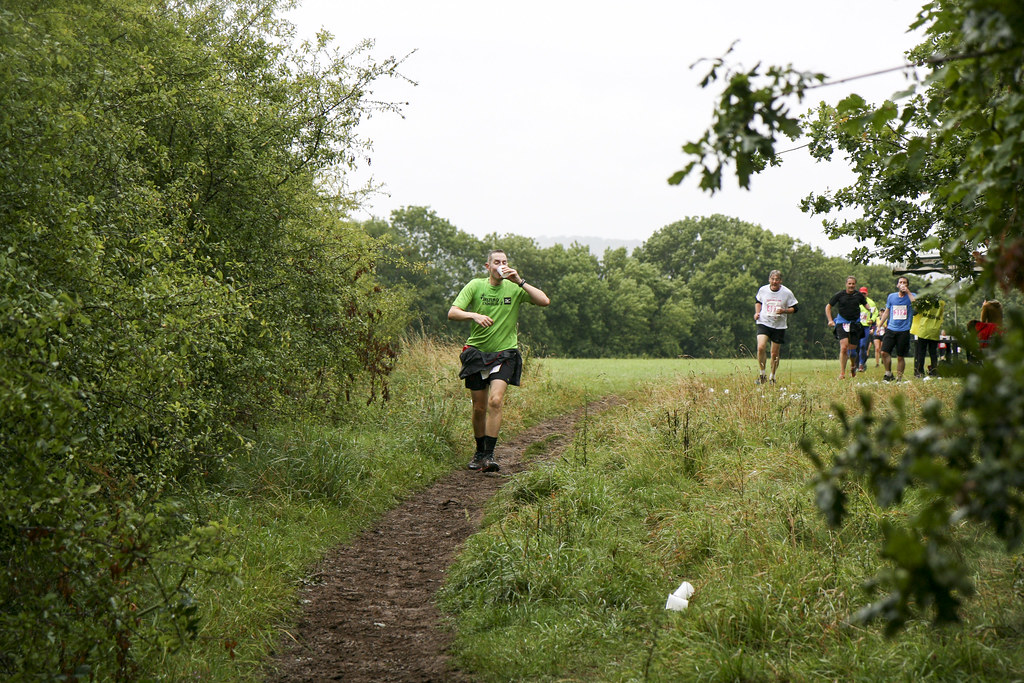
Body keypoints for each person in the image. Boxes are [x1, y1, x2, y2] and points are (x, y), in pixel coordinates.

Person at [448, 249, 550, 472]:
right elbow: (453, 312)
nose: (501, 265)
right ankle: (479, 452)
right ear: (488, 266)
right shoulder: (476, 286)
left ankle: (489, 456)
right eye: (496, 262)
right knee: (479, 407)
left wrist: (520, 281)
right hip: (476, 353)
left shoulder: (514, 288)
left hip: (505, 353)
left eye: (504, 262)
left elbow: (544, 301)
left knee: (495, 401)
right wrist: (474, 315)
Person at [753, 270, 798, 385]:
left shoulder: (787, 292)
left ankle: (772, 377)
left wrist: (784, 311)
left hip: (779, 325)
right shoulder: (763, 290)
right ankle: (762, 374)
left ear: (780, 281)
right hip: (764, 322)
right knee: (761, 347)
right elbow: (758, 301)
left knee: (774, 353)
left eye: (777, 279)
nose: (774, 282)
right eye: (772, 279)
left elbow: (795, 308)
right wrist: (757, 313)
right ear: (769, 280)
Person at [825, 276, 868, 379]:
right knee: (844, 348)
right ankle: (842, 373)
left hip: (855, 324)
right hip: (842, 322)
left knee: (852, 352)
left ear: (855, 285)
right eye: (849, 284)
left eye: (853, 284)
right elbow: (828, 307)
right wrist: (830, 320)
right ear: (846, 284)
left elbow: (866, 305)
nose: (851, 286)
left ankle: (853, 365)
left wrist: (871, 310)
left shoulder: (859, 295)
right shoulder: (840, 295)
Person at [877, 276, 916, 381]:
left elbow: (916, 306)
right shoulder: (891, 296)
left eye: (904, 282)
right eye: (900, 282)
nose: (902, 284)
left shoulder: (912, 296)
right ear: (897, 285)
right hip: (891, 328)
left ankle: (899, 379)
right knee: (884, 352)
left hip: (904, 330)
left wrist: (908, 292)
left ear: (907, 285)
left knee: (900, 356)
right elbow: (887, 311)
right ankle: (888, 374)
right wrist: (879, 325)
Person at [911, 297, 945, 377]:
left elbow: (914, 312)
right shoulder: (941, 303)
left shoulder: (924, 302)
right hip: (934, 330)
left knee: (921, 352)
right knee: (933, 353)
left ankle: (920, 371)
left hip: (924, 330)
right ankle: (934, 371)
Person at [856, 285, 879, 372]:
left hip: (865, 326)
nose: (863, 295)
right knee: (856, 346)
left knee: (863, 345)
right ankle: (856, 364)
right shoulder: (855, 301)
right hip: (856, 326)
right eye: (861, 293)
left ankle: (861, 364)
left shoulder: (871, 302)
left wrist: (872, 320)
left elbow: (875, 313)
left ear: (867, 293)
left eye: (864, 293)